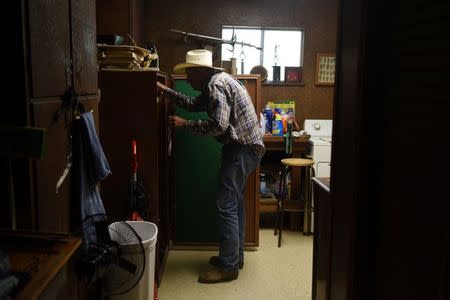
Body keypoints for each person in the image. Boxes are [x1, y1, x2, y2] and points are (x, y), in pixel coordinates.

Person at [157, 49, 265, 284]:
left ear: (200, 71)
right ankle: (235, 258)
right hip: (247, 149)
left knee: (226, 205)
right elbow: (194, 103)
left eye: (189, 74)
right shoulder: (215, 83)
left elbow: (218, 125)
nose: (187, 79)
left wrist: (185, 124)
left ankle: (228, 267)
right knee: (234, 204)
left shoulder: (216, 85)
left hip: (241, 149)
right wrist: (166, 92)